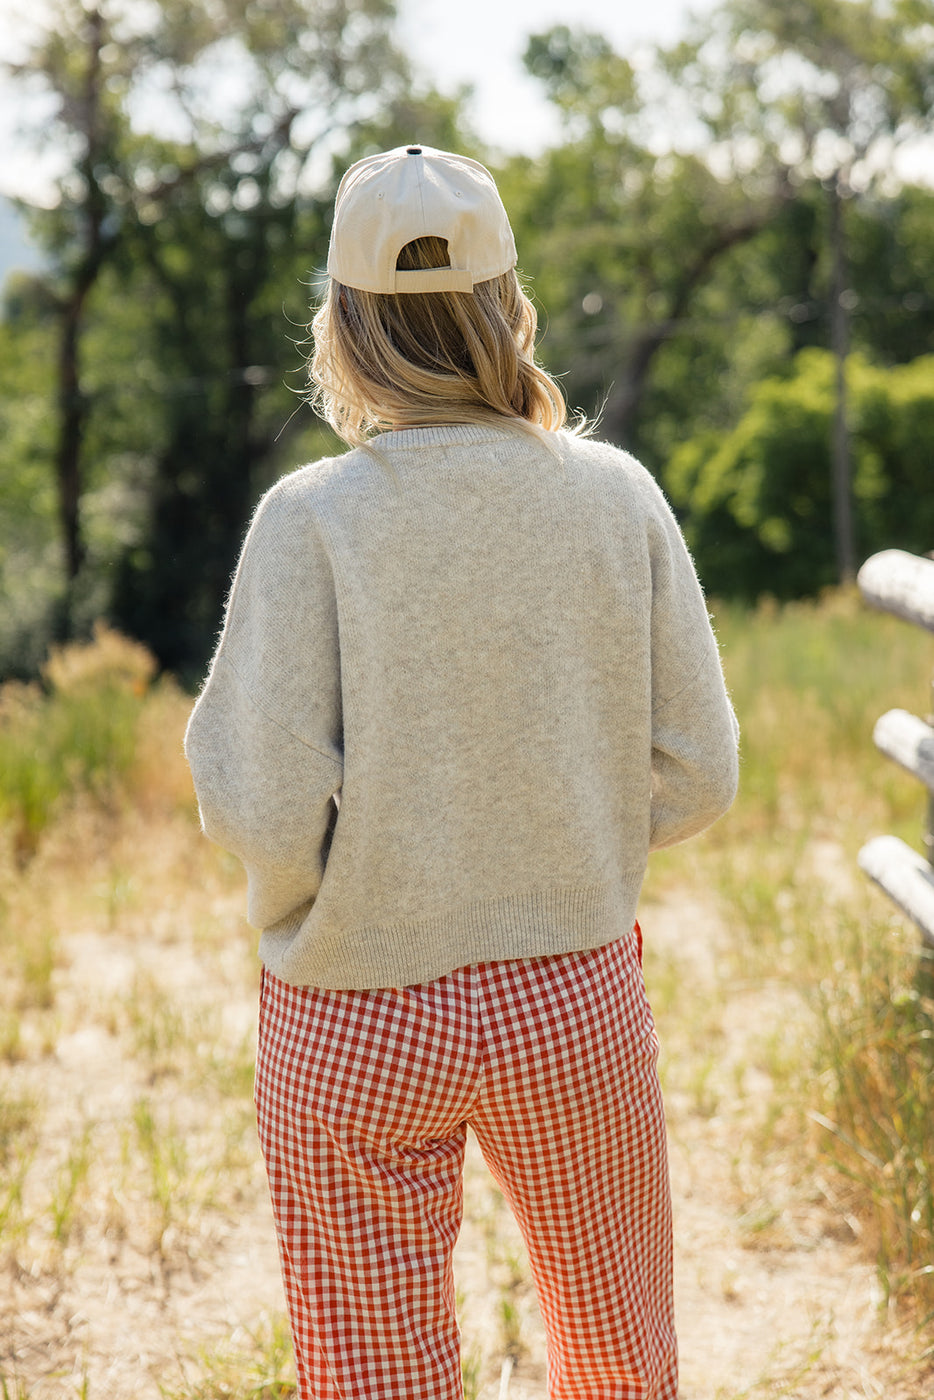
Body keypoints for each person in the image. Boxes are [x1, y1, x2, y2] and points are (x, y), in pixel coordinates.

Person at [185, 144, 739, 1400]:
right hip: (572, 994)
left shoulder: (309, 520)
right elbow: (698, 771)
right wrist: (569, 835)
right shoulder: (616, 496)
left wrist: (336, 887)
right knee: (617, 1350)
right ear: (510, 305)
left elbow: (258, 800)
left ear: (342, 324)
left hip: (352, 1000)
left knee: (374, 1369)